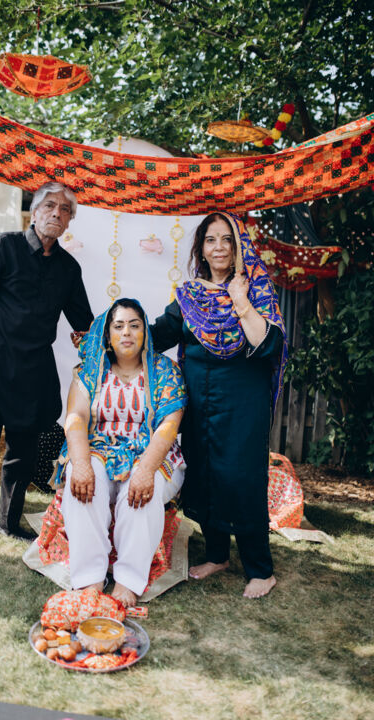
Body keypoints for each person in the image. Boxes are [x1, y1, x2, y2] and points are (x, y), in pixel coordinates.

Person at [0, 181, 93, 581]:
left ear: (69, 221)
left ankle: (8, 521)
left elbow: (84, 325)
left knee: (22, 455)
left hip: (34, 374)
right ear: (35, 210)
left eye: (65, 210)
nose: (56, 213)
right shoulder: (2, 247)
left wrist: (111, 352)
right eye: (50, 206)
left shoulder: (68, 269)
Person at [150, 212, 287, 599]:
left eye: (228, 239)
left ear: (239, 246)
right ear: (201, 249)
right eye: (211, 240)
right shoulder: (190, 295)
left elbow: (268, 344)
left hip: (243, 401)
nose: (220, 247)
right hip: (199, 400)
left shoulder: (255, 289)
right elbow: (160, 333)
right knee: (205, 472)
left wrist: (240, 301)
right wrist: (114, 333)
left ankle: (261, 569)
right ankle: (217, 555)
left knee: (242, 478)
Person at [54, 298, 187, 607]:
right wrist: (81, 463)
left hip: (152, 452)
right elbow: (76, 417)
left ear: (145, 333)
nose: (126, 332)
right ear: (108, 335)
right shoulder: (90, 371)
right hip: (98, 448)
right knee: (81, 480)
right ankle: (89, 579)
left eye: (134, 325)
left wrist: (146, 469)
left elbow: (169, 425)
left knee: (143, 490)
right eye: (119, 326)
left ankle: (128, 581)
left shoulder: (165, 371)